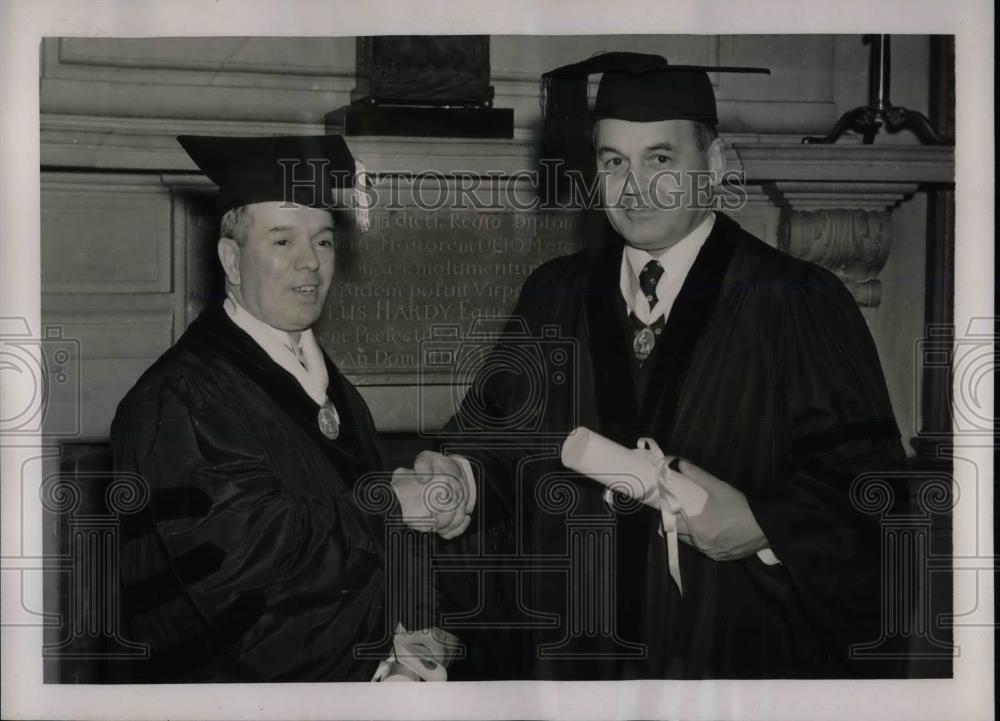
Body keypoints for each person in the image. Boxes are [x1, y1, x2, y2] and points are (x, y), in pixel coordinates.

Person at [391, 52, 906, 679]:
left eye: (660, 159)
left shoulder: (800, 302)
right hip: (575, 657)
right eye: (614, 162)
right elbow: (501, 444)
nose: (633, 187)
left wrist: (764, 524)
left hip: (730, 654)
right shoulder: (554, 294)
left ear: (713, 167)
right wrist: (462, 481)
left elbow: (869, 490)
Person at [111, 134, 456, 682]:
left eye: (323, 242)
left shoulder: (334, 388)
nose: (310, 265)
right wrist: (372, 667)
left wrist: (416, 641)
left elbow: (382, 544)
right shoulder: (178, 398)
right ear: (231, 259)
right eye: (281, 242)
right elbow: (240, 570)